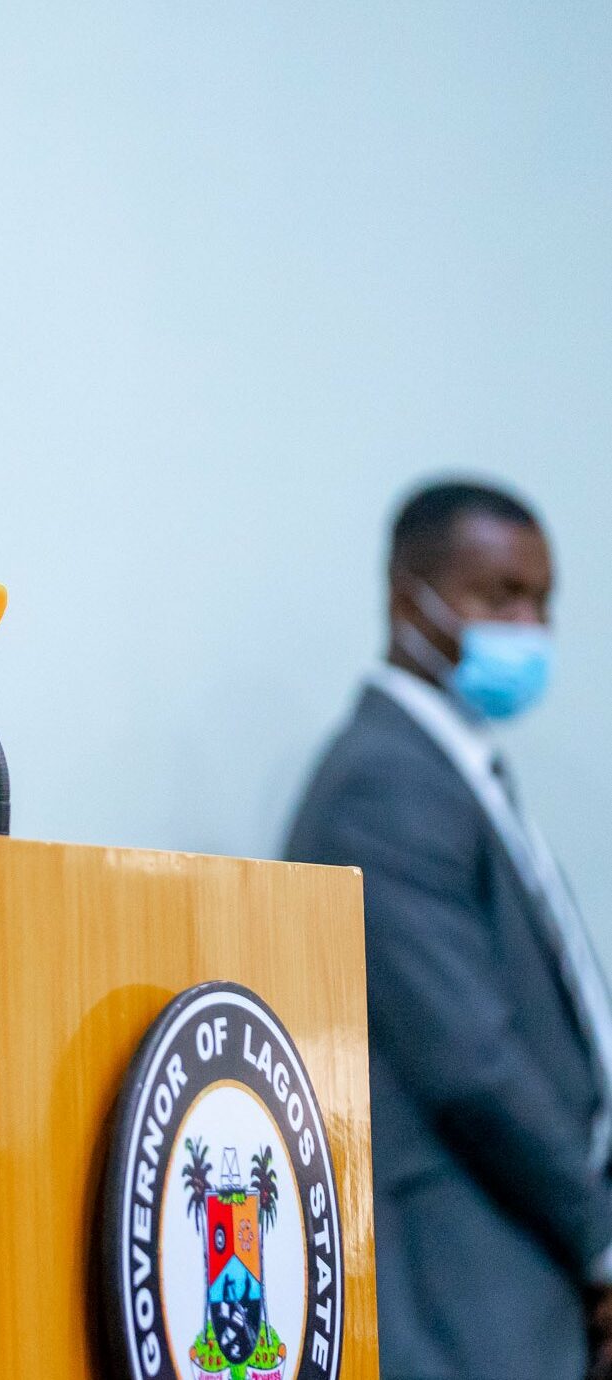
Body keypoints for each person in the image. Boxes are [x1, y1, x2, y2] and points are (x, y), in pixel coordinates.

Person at [286, 480, 612, 1379]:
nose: (529, 627)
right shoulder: (385, 782)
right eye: (499, 596)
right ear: (408, 600)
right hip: (464, 1283)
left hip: (522, 1258)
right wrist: (602, 1237)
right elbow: (471, 1061)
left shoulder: (456, 770)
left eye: (540, 601)